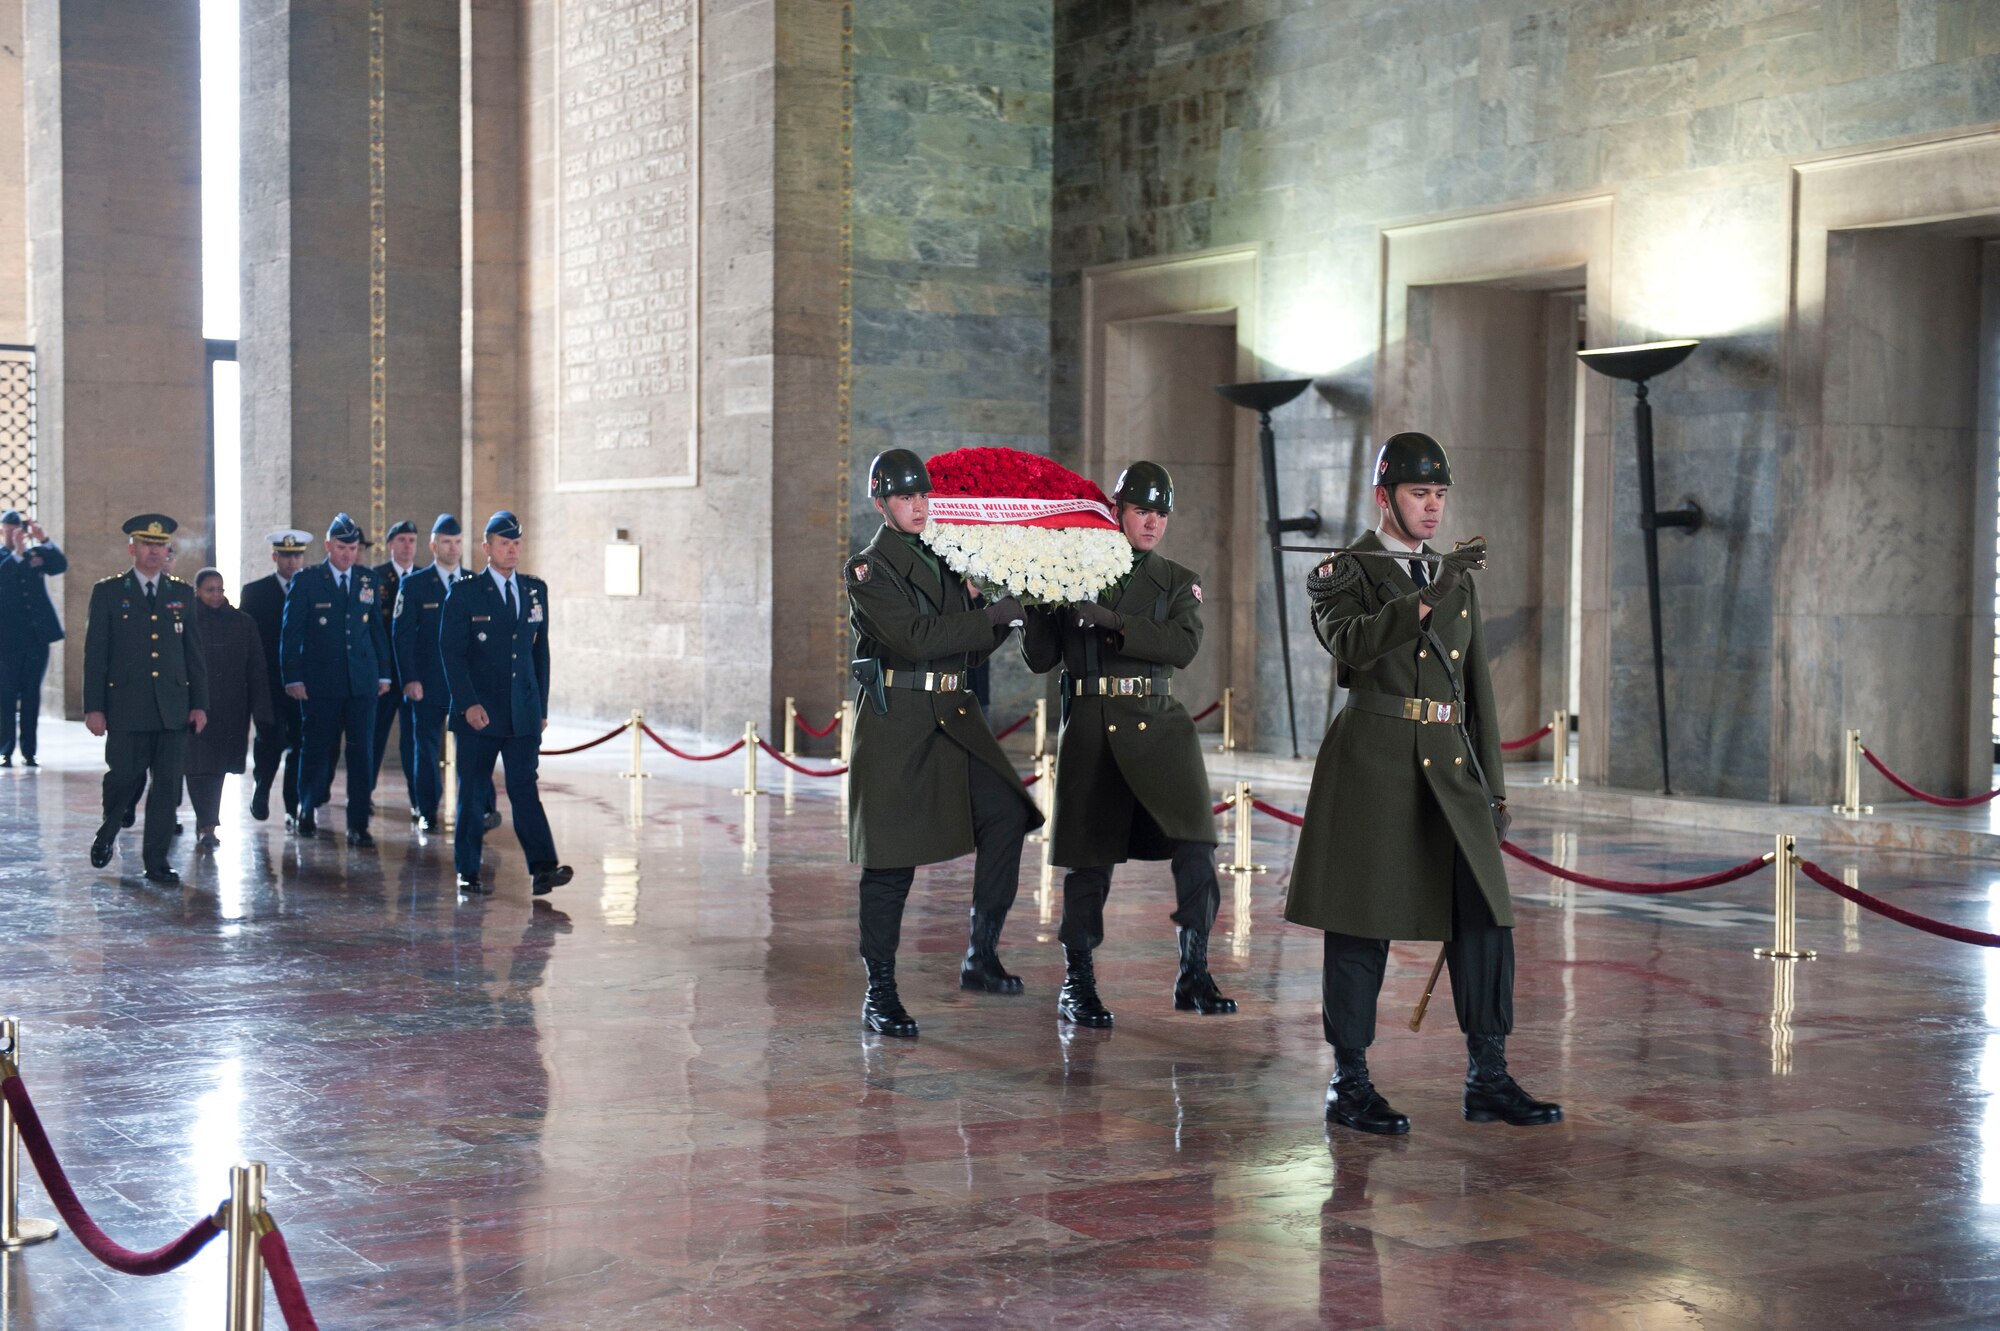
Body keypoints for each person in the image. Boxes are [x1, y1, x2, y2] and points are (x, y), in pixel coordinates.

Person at [1288, 431, 1560, 1135]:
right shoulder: (1342, 569)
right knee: (1361, 925)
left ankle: (1488, 1076)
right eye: (1419, 494)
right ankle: (1348, 1084)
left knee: (1485, 916)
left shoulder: (1454, 574)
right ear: (1385, 497)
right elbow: (1349, 644)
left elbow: (1476, 691)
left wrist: (1494, 787)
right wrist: (1424, 599)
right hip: (1373, 760)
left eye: (1440, 495)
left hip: (1449, 762)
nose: (1433, 508)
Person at [1020, 461, 1235, 1027]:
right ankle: (1078, 984)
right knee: (1087, 862)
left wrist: (1114, 621)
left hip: (1160, 723)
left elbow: (1182, 645)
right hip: (1092, 723)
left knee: (1197, 844)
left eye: (1161, 513)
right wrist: (1034, 593)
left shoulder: (1176, 579)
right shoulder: (1072, 568)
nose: (1153, 522)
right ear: (1116, 511)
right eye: (1143, 510)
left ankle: (1194, 972)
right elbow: (1041, 658)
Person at [843, 448, 1041, 1038]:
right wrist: (987, 616)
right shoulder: (869, 570)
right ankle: (880, 990)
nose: (918, 506)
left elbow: (965, 650)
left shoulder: (945, 559)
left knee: (1007, 815)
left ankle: (981, 954)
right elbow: (914, 637)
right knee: (890, 862)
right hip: (898, 721)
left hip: (954, 713)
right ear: (881, 503)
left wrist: (1006, 619)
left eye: (923, 495)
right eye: (905, 497)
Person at [438, 510, 572, 897]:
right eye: (504, 544)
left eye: (516, 544)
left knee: (524, 787)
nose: (512, 551)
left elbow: (539, 653)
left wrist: (541, 708)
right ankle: (468, 870)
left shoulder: (534, 590)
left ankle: (543, 868)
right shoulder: (465, 592)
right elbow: (452, 653)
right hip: (480, 712)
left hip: (522, 712)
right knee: (473, 791)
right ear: (486, 548)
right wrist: (466, 704)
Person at [82, 515, 207, 885]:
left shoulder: (181, 594)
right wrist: (94, 707)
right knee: (122, 778)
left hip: (172, 707)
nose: (154, 552)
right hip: (126, 707)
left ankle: (156, 862)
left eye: (161, 545)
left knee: (167, 788)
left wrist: (200, 703)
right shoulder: (108, 592)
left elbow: (193, 654)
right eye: (147, 545)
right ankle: (109, 828)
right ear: (132, 548)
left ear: (168, 549)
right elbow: (96, 655)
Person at [281, 513, 392, 844]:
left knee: (362, 753)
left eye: (353, 548)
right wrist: (293, 677)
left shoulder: (367, 580)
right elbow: (291, 633)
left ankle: (358, 824)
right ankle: (307, 808)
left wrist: (383, 673)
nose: (348, 554)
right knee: (316, 749)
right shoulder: (307, 581)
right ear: (328, 546)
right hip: (320, 684)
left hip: (361, 683)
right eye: (342, 547)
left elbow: (375, 629)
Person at [393, 514, 497, 834]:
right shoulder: (414, 585)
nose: (452, 549)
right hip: (427, 684)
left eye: (457, 542)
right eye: (446, 543)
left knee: (477, 748)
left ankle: (483, 808)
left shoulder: (476, 583)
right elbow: (402, 635)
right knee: (424, 749)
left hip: (465, 687)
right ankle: (427, 808)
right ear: (433, 545)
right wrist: (409, 679)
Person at [183, 569, 274, 848]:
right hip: (196, 707)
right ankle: (206, 824)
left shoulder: (242, 623)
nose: (216, 595)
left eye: (220, 589)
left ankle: (209, 821)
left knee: (217, 767)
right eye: (210, 589)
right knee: (198, 766)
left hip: (231, 707)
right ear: (197, 591)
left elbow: (256, 668)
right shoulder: (187, 622)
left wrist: (262, 711)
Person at [242, 529, 311, 825]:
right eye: (285, 556)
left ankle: (292, 807)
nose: (292, 561)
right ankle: (262, 788)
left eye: (296, 555)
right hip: (269, 681)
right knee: (270, 738)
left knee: (299, 742)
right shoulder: (255, 592)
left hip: (303, 683)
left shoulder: (313, 588)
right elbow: (248, 639)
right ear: (275, 557)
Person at [0, 511, 66, 767]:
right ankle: (5, 749)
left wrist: (44, 539)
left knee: (31, 695)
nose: (14, 534)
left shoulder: (35, 555)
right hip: (7, 640)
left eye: (18, 530)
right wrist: (15, 552)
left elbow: (60, 566)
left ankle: (30, 751)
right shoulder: (7, 557)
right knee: (5, 695)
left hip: (36, 637)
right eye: (9, 529)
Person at [370, 518, 421, 813]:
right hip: (385, 675)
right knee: (374, 737)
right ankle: (364, 794)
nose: (407, 546)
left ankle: (418, 800)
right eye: (401, 540)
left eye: (412, 541)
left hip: (412, 674)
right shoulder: (375, 578)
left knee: (412, 742)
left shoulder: (425, 579)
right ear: (390, 544)